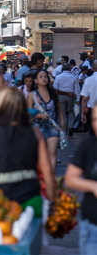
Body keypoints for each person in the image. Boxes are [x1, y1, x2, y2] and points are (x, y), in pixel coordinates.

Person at [0, 87, 55, 217]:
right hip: (32, 201)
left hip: (0, 203)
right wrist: (51, 201)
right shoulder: (35, 133)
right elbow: (47, 170)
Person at [65, 102, 97, 255]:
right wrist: (92, 186)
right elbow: (70, 178)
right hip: (92, 225)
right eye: (95, 120)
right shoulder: (89, 145)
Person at [27, 69, 65, 170]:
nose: (44, 79)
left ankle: (52, 175)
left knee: (52, 151)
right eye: (41, 77)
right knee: (40, 153)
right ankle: (42, 175)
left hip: (52, 126)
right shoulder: (32, 95)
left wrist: (62, 121)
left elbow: (59, 108)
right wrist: (38, 115)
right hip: (37, 127)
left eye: (46, 76)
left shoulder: (52, 93)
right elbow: (27, 112)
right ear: (35, 80)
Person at [53, 63, 80, 137]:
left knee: (63, 113)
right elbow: (77, 89)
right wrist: (78, 99)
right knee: (70, 112)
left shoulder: (58, 77)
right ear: (70, 69)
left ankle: (64, 131)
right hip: (70, 96)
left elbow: (55, 88)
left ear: (62, 69)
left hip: (60, 96)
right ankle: (71, 126)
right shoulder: (74, 77)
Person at [81, 60, 97, 135]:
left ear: (91, 68)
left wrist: (82, 113)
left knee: (93, 133)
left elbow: (84, 98)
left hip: (92, 110)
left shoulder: (88, 80)